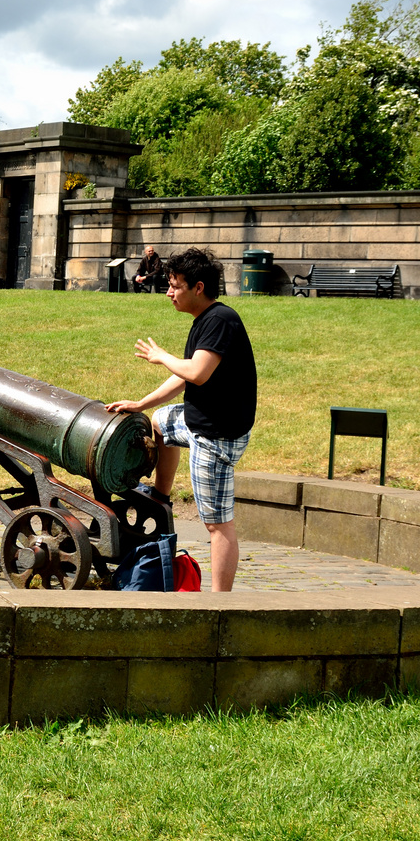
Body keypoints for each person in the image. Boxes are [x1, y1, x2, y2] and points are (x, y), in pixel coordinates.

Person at [105, 247, 257, 592]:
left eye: (175, 286)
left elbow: (197, 373)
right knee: (159, 422)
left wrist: (161, 357)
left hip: (216, 434)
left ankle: (221, 603)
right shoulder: (205, 320)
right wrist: (140, 403)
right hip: (197, 418)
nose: (169, 293)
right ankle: (161, 495)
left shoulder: (219, 321)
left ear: (198, 288)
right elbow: (184, 377)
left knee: (218, 525)